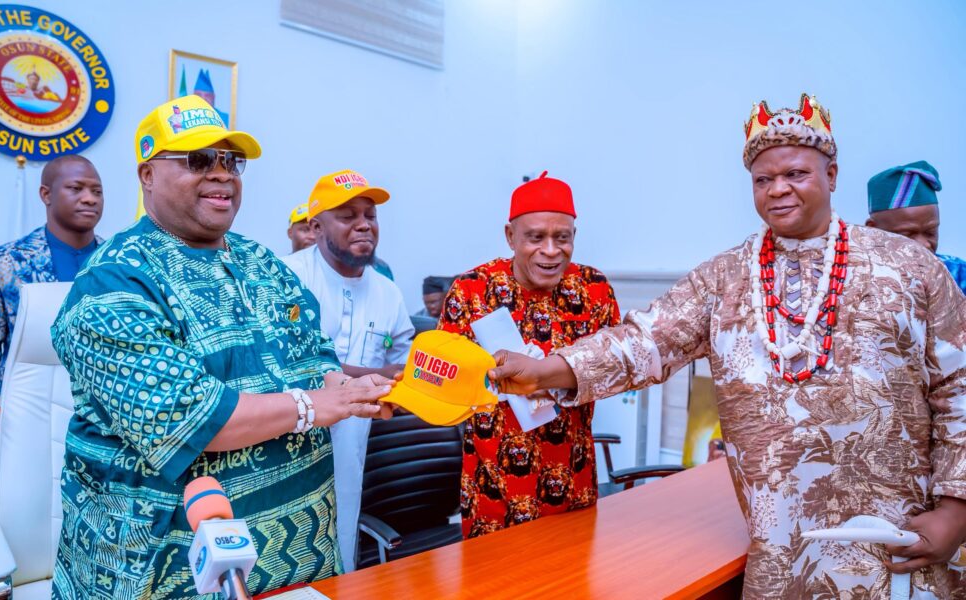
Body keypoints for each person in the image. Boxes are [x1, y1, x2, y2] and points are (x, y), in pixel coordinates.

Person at [489, 95, 966, 598]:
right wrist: (545, 370)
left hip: (899, 547)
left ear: (831, 175)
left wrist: (956, 511)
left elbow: (959, 387)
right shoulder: (724, 278)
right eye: (763, 180)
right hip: (781, 553)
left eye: (796, 174)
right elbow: (643, 341)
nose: (778, 189)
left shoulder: (909, 267)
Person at [50, 96, 394, 598]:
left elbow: (315, 357)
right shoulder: (112, 283)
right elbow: (188, 417)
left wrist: (357, 390)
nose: (221, 174)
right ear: (147, 175)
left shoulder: (263, 263)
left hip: (301, 565)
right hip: (162, 574)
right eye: (198, 160)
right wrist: (315, 405)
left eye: (231, 161)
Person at [438, 172, 620, 538]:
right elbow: (446, 378)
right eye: (535, 237)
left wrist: (555, 378)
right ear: (510, 236)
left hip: (573, 485)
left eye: (562, 238)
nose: (550, 250)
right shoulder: (472, 290)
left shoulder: (594, 289)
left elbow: (616, 370)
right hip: (493, 492)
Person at [281, 168, 413, 572]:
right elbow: (291, 363)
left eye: (370, 215)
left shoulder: (388, 293)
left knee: (340, 551)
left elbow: (405, 366)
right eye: (347, 216)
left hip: (351, 449)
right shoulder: (286, 277)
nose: (364, 225)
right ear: (316, 227)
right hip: (285, 443)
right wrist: (369, 375)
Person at [0, 154, 103, 476]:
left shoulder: (121, 262)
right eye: (76, 188)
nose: (90, 198)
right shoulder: (2, 264)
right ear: (46, 194)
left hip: (106, 431)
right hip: (25, 426)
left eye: (97, 191)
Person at [865, 160, 966, 295]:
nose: (924, 245)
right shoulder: (853, 278)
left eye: (930, 233)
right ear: (872, 230)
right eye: (908, 235)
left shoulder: (958, 275)